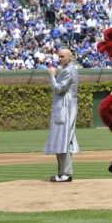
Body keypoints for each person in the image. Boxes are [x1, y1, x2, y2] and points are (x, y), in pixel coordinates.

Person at [43, 49, 79, 182]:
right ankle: (63, 173)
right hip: (65, 107)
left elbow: (58, 88)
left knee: (63, 139)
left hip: (65, 108)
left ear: (70, 57)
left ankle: (66, 173)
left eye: (63, 56)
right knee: (62, 139)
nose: (60, 59)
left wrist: (52, 75)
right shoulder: (69, 69)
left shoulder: (68, 71)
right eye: (59, 57)